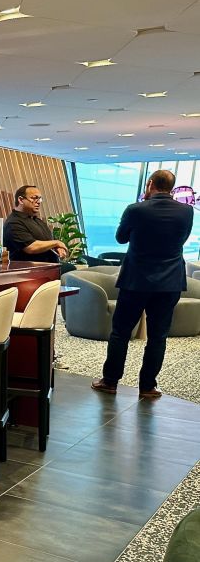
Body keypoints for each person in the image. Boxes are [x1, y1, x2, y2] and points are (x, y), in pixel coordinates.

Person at [92, 169, 194, 399]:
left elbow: (121, 237)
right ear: (172, 187)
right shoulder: (187, 212)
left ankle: (110, 381)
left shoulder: (136, 209)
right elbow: (182, 238)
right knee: (158, 336)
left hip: (136, 281)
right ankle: (148, 386)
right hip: (169, 283)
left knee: (120, 332)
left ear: (149, 185)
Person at [3, 185, 68, 263]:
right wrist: (57, 243)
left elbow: (48, 243)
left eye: (40, 198)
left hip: (49, 267)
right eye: (34, 198)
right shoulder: (13, 223)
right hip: (30, 270)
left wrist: (58, 248)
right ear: (20, 200)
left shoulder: (38, 221)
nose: (39, 202)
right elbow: (31, 247)